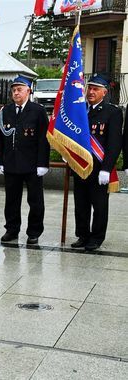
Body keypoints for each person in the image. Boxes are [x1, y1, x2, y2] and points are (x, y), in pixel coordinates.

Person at [0, 76, 50, 245]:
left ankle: (34, 231)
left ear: (28, 91)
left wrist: (43, 163)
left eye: (19, 89)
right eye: (14, 90)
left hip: (32, 164)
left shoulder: (38, 111)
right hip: (11, 163)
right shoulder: (6, 111)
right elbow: (0, 138)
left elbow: (43, 139)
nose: (16, 92)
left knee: (35, 201)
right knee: (11, 200)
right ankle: (12, 229)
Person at [71, 75, 123, 251]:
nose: (91, 92)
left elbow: (115, 143)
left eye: (95, 89)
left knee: (99, 206)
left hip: (100, 168)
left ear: (104, 92)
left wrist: (107, 169)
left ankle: (96, 238)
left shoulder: (113, 112)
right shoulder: (79, 110)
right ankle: (82, 235)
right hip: (80, 166)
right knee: (81, 204)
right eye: (89, 88)